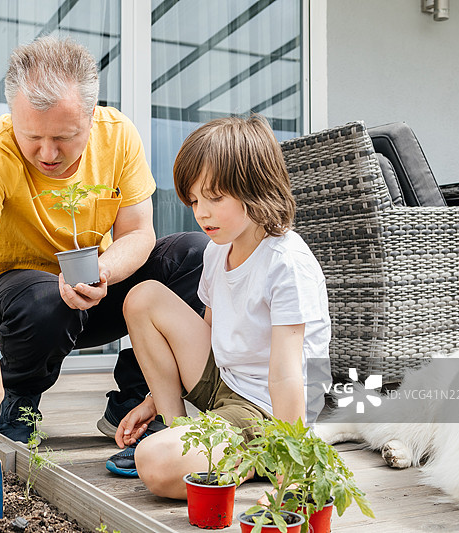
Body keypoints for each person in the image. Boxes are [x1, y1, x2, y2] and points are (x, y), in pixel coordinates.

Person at [0, 35, 208, 459]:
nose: (47, 153)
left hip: (93, 291)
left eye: (64, 136)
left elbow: (138, 232)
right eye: (32, 136)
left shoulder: (118, 136)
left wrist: (103, 271)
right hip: (24, 309)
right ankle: (17, 401)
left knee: (195, 255)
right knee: (44, 300)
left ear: (91, 116)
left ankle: (136, 399)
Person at [105, 115, 331, 501]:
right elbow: (208, 335)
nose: (201, 213)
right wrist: (153, 399)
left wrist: (291, 463)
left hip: (265, 408)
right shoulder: (216, 251)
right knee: (142, 297)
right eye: (194, 200)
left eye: (214, 198)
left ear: (256, 188)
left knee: (153, 463)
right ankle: (177, 430)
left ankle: (258, 456)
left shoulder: (286, 263)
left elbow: (287, 374)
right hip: (225, 384)